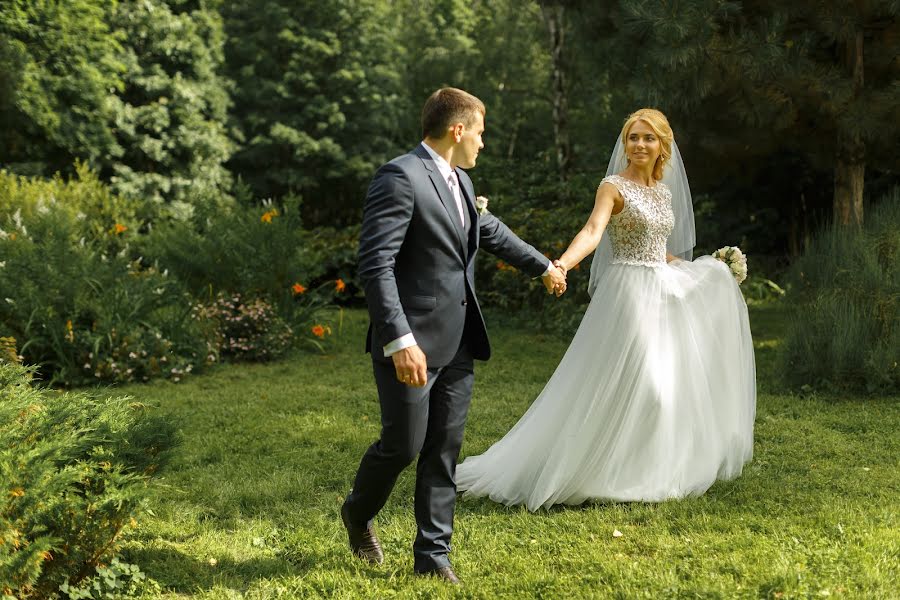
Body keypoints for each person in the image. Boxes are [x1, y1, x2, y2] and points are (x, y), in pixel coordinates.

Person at [455, 108, 756, 511]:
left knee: (661, 385)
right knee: (650, 385)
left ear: (662, 145)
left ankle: (639, 470)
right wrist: (561, 264)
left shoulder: (663, 192)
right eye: (633, 137)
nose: (639, 145)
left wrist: (705, 269)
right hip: (628, 292)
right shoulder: (613, 187)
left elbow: (658, 251)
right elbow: (593, 232)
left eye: (648, 138)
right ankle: (599, 472)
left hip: (661, 288)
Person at [341, 87, 567, 584]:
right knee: (403, 446)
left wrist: (544, 267)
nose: (482, 144)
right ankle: (358, 513)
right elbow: (375, 264)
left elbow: (489, 233)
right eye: (480, 134)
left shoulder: (461, 181)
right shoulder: (399, 176)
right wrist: (398, 339)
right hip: (412, 342)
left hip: (460, 337)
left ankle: (433, 556)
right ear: (457, 129)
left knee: (444, 448)